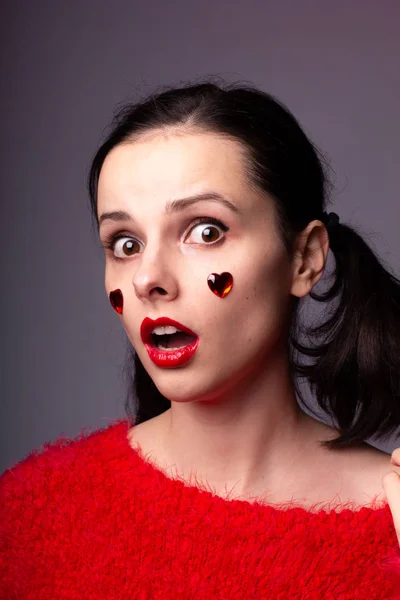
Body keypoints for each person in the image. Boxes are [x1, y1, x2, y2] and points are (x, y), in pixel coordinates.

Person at [2, 77, 400, 598]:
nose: (147, 278)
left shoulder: (390, 525)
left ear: (304, 259)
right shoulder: (29, 515)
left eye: (206, 231)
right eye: (124, 242)